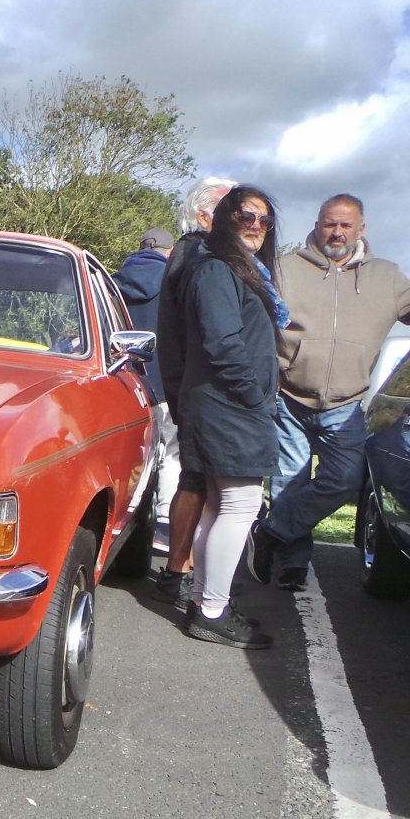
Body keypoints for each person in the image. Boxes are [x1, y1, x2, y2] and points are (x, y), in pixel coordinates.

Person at [248, 194, 410, 592]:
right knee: (289, 482)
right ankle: (292, 565)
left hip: (346, 404)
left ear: (361, 229)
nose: (336, 232)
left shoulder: (387, 276)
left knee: (344, 481)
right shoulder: (284, 269)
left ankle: (271, 532)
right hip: (289, 396)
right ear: (317, 223)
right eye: (329, 223)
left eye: (345, 225)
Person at [171, 186, 285, 648]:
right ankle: (213, 611)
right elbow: (223, 343)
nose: (255, 225)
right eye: (245, 216)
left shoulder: (233, 269)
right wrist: (255, 396)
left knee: (219, 506)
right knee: (240, 505)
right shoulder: (216, 268)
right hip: (229, 406)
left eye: (263, 219)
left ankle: (206, 602)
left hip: (221, 405)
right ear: (222, 220)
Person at [152, 176, 236, 609]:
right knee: (198, 480)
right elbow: (206, 333)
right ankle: (181, 572)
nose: (243, 220)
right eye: (231, 210)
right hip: (202, 389)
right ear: (205, 216)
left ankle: (182, 571)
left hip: (193, 386)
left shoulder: (194, 253)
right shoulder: (198, 255)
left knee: (197, 479)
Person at [112, 228, 176, 549]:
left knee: (129, 457)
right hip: (166, 386)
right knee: (171, 456)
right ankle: (164, 528)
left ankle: (123, 524)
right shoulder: (176, 283)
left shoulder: (110, 284)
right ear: (170, 250)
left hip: (123, 388)